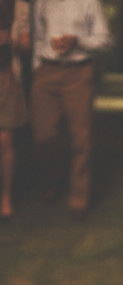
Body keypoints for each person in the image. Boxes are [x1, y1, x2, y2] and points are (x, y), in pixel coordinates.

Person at [31, 0, 111, 219]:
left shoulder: (89, 2)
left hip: (78, 72)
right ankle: (52, 180)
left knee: (81, 138)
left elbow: (104, 40)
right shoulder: (42, 2)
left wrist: (78, 41)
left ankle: (79, 198)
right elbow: (38, 37)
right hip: (47, 71)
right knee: (44, 135)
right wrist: (37, 66)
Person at [0, 0, 29, 220]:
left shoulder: (20, 8)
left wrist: (12, 41)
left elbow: (27, 46)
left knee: (7, 140)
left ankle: (6, 197)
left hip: (7, 78)